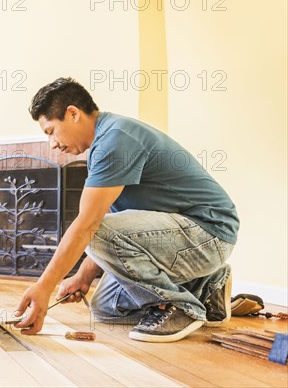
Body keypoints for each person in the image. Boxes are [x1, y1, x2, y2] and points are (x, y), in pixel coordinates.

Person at [14, 77, 239, 342]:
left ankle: (180, 307)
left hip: (210, 233)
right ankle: (207, 284)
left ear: (72, 113)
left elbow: (91, 226)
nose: (52, 143)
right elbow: (115, 226)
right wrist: (83, 277)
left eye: (51, 131)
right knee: (105, 307)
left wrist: (44, 286)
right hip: (181, 238)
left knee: (94, 230)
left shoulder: (116, 139)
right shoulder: (103, 144)